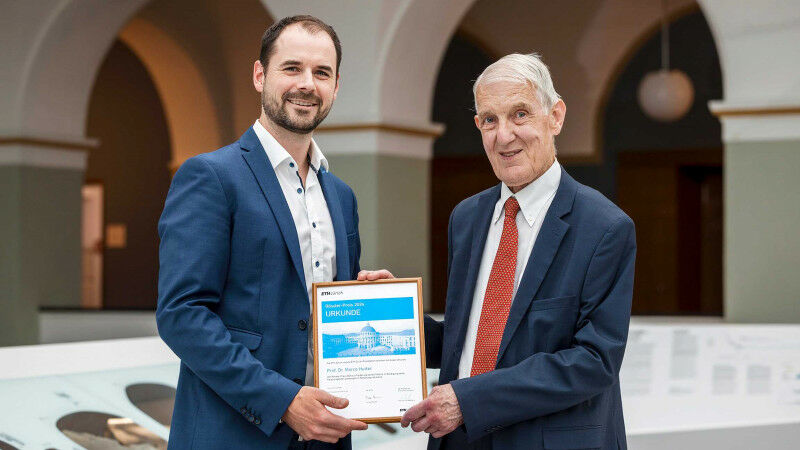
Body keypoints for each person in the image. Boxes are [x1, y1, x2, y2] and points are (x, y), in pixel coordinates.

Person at [157, 15, 382, 449]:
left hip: (325, 437)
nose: (307, 84)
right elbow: (181, 314)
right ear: (260, 75)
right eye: (292, 68)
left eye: (322, 73)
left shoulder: (341, 196)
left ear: (336, 86)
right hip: (231, 435)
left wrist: (367, 299)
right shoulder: (211, 177)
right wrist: (282, 401)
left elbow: (318, 310)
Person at [400, 53, 637, 450]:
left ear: (555, 116)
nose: (504, 135)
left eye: (520, 114)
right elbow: (469, 340)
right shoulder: (466, 218)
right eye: (489, 120)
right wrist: (391, 313)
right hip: (459, 440)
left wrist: (471, 400)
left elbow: (594, 362)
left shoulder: (605, 227)